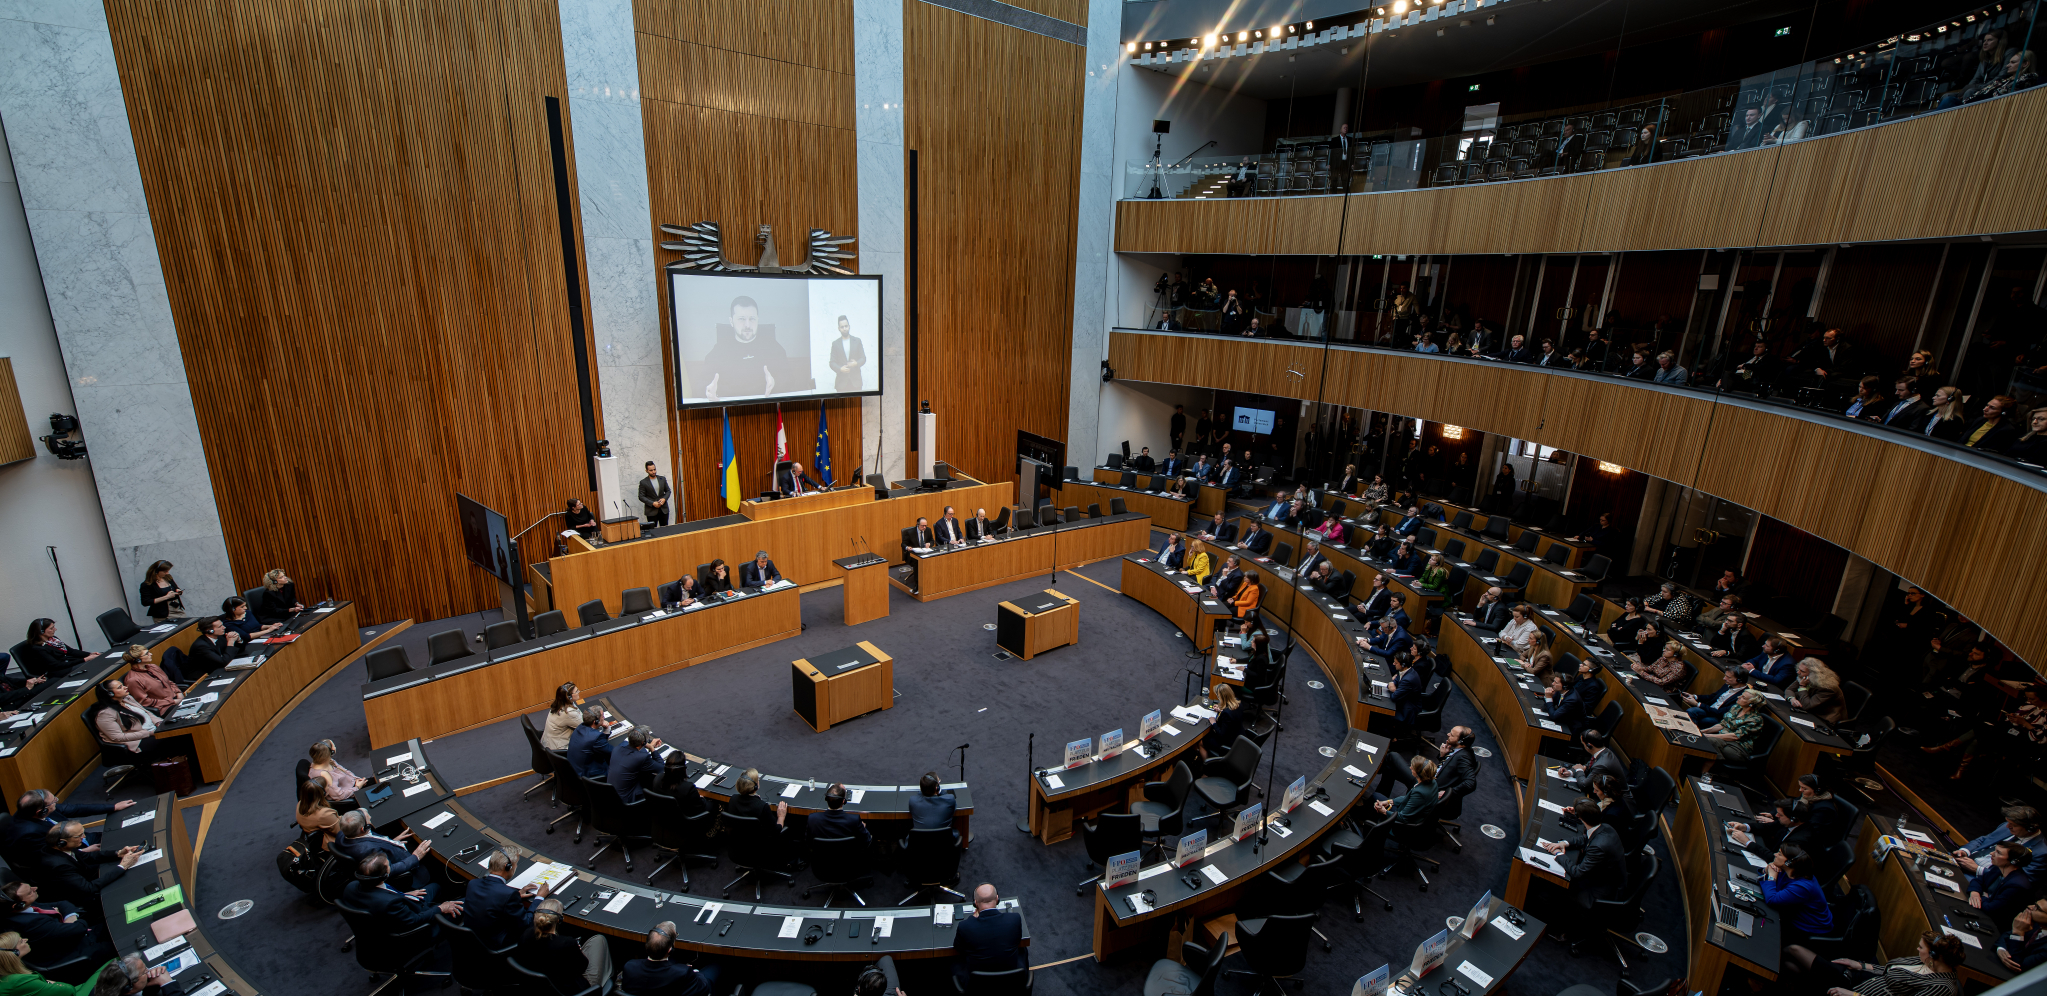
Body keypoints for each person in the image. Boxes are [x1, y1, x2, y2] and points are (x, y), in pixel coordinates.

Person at [1787, 929, 1966, 996]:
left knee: (1794, 960)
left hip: (1857, 991)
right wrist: (1863, 965)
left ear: (1934, 955)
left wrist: (1852, 995)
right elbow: (1891, 969)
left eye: (1921, 948)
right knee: (1793, 962)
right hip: (1862, 979)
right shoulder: (1926, 962)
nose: (1917, 950)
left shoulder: (1942, 988)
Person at [341, 851, 459, 942]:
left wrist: (403, 895)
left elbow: (385, 895)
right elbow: (415, 920)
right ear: (384, 876)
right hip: (418, 929)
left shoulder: (352, 886)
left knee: (435, 887)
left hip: (399, 907)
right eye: (388, 865)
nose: (390, 866)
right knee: (463, 904)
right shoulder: (390, 903)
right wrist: (440, 908)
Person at [1540, 796, 1625, 921]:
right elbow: (1586, 838)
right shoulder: (1606, 827)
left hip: (1600, 891)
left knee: (1550, 889)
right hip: (1607, 877)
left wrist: (1559, 855)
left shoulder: (1598, 847)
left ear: (1580, 818)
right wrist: (1564, 843)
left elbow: (1577, 872)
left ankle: (1557, 924)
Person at [0, 880, 112, 974]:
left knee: (112, 923)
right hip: (74, 952)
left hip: (76, 936)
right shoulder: (28, 924)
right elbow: (78, 929)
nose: (35, 888)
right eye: (30, 892)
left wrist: (70, 918)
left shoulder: (27, 907)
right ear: (19, 905)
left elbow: (61, 903)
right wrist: (71, 923)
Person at [33, 823, 140, 919]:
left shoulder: (60, 847)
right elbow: (88, 888)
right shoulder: (58, 865)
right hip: (77, 899)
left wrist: (117, 853)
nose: (84, 837)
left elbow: (86, 856)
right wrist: (123, 866)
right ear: (62, 842)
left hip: (82, 880)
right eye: (79, 836)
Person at [699, 295, 786, 401]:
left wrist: (775, 382)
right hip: (731, 408)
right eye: (741, 319)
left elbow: (789, 378)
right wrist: (708, 390)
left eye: (752, 319)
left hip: (765, 407)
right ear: (731, 321)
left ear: (758, 320)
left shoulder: (772, 347)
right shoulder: (720, 350)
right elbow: (703, 383)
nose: (747, 325)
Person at [517, 898, 612, 991]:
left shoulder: (526, 934)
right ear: (559, 920)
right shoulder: (566, 943)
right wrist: (577, 951)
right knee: (599, 940)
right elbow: (582, 967)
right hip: (571, 989)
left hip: (537, 984)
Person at [330, 809, 433, 893]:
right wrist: (416, 856)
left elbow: (371, 840)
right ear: (363, 829)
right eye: (368, 819)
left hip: (389, 849)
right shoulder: (367, 850)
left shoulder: (343, 833)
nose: (370, 818)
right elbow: (389, 870)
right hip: (409, 871)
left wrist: (392, 842)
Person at [465, 849, 552, 949]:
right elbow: (526, 924)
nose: (516, 867)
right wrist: (539, 898)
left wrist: (516, 896)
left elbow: (489, 901)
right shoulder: (508, 894)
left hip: (474, 939)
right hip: (497, 944)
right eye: (515, 865)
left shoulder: (473, 884)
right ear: (507, 867)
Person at [952, 884, 1026, 988]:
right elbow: (1017, 940)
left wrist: (972, 919)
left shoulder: (965, 926)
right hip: (1010, 982)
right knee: (1023, 950)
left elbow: (958, 947)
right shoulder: (1014, 919)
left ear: (975, 903)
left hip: (977, 985)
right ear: (997, 899)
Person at [89, 680, 180, 766]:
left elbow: (146, 712)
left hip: (153, 730)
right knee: (175, 738)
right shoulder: (105, 714)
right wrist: (149, 733)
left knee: (179, 731)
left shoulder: (127, 699)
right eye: (120, 687)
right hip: (137, 741)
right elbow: (117, 737)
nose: (125, 687)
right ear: (110, 694)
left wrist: (158, 722)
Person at [1761, 844, 1834, 946]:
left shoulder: (1802, 887)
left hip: (1808, 927)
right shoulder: (1789, 871)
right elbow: (1771, 886)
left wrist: (1772, 877)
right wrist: (1766, 870)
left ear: (1789, 862)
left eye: (1780, 854)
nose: (1775, 855)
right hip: (1792, 914)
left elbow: (1772, 899)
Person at [0, 928, 111, 994]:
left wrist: (51, 984)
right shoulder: (19, 981)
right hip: (74, 994)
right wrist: (51, 983)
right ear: (14, 952)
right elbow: (69, 991)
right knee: (112, 964)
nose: (26, 940)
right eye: (21, 941)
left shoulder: (8, 977)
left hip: (60, 991)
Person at [1952, 805, 2047, 880]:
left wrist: (1979, 870)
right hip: (1965, 860)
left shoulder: (2041, 853)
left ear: (2030, 828)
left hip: (1979, 879)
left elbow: (2018, 881)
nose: (2007, 826)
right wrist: (1965, 851)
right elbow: (1984, 840)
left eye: (2013, 825)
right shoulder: (2007, 827)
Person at [1967, 840, 2035, 923]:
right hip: (1981, 910)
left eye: (1998, 852)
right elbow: (1978, 880)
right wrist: (1975, 892)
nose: (1991, 853)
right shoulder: (1998, 868)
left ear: (2013, 861)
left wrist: (1982, 896)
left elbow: (1990, 908)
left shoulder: (2017, 885)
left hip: (1993, 922)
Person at [1701, 690, 1769, 766]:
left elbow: (1735, 736)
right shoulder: (1736, 707)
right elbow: (1723, 724)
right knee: (1705, 740)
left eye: (1743, 697)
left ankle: (1706, 773)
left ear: (1751, 704)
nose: (1738, 697)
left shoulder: (1755, 719)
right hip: (1724, 739)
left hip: (1738, 748)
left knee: (1710, 742)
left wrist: (1709, 735)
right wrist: (1703, 732)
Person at [16, 621, 96, 681]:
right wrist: (85, 659)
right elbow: (57, 665)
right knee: (91, 665)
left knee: (96, 660)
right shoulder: (37, 649)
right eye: (51, 628)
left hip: (66, 663)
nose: (55, 629)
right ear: (41, 632)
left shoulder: (53, 640)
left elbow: (70, 651)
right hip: (57, 671)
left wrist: (89, 654)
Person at [607, 726, 664, 804]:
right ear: (643, 742)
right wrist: (652, 748)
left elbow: (632, 750)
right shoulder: (642, 757)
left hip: (610, 796)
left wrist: (646, 745)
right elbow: (661, 768)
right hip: (627, 800)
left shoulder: (617, 749)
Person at [114, 647, 179, 714]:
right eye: (146, 654)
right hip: (164, 707)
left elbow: (168, 682)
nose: (151, 654)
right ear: (137, 660)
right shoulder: (133, 680)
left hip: (176, 699)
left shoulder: (153, 667)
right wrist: (173, 702)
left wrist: (178, 693)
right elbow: (144, 701)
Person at [1682, 667, 1750, 727]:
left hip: (1719, 717)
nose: (1724, 678)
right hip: (1710, 709)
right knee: (1691, 711)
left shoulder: (1743, 696)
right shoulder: (1727, 685)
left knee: (1705, 720)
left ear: (1739, 680)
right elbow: (1712, 696)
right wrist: (1695, 696)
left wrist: (1697, 704)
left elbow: (1720, 713)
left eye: (1728, 677)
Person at [306, 738, 363, 803]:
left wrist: (358, 779)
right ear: (331, 752)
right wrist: (357, 787)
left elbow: (345, 771)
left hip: (354, 785)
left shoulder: (328, 761)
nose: (335, 748)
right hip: (351, 795)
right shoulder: (323, 775)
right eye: (334, 747)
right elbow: (339, 796)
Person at [1791, 659, 1847, 725]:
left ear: (1813, 674)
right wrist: (1792, 698)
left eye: (1802, 671)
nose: (1798, 672)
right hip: (1810, 710)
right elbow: (1789, 690)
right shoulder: (1804, 676)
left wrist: (1802, 686)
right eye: (1799, 669)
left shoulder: (1828, 688)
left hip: (1823, 718)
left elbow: (1806, 706)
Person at [908, 772, 960, 843]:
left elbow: (919, 795)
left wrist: (924, 789)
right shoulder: (950, 800)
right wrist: (940, 791)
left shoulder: (913, 801)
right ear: (937, 788)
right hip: (944, 846)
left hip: (920, 847)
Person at [1998, 898, 2047, 972]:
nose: (2030, 906)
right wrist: (2001, 949)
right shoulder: (2037, 925)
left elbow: (2018, 966)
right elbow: (2006, 935)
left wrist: (2018, 932)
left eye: (2037, 908)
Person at [1201, 685, 1249, 760]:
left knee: (1202, 742)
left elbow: (1221, 734)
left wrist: (1214, 723)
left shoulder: (1226, 714)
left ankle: (1207, 767)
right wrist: (1221, 709)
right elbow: (1233, 715)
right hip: (1239, 738)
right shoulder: (1238, 703)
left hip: (1228, 743)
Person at [566, 706, 614, 779]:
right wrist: (607, 730)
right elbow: (611, 751)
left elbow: (598, 744)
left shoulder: (580, 727)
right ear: (595, 721)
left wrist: (605, 731)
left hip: (574, 770)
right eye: (602, 716)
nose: (604, 718)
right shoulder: (596, 737)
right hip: (586, 774)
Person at [829, 314, 867, 393]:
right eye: (842, 327)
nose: (844, 329)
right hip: (841, 383)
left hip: (856, 382)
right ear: (839, 329)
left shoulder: (857, 341)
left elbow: (863, 358)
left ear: (849, 326)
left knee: (857, 405)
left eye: (846, 326)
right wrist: (840, 369)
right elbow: (832, 362)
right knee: (842, 405)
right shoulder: (835, 344)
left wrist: (856, 363)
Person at [295, 778, 340, 844]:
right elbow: (341, 831)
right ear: (322, 792)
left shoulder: (300, 803)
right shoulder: (324, 814)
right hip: (330, 842)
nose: (329, 787)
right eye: (327, 786)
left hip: (313, 836)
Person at [541, 683, 582, 751]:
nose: (579, 692)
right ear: (569, 697)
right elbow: (586, 725)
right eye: (576, 691)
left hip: (549, 743)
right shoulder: (568, 713)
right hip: (558, 749)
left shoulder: (558, 704)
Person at [1384, 652, 1423, 724]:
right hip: (1403, 701)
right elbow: (1396, 680)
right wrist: (1392, 685)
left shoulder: (1408, 679)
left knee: (1381, 714)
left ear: (1403, 665)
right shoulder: (1404, 670)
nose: (1393, 664)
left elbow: (1394, 697)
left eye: (1396, 663)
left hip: (1407, 711)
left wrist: (1392, 687)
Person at [639, 462, 672, 527]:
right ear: (646, 471)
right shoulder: (643, 482)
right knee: (653, 531)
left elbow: (668, 491)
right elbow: (641, 496)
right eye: (651, 470)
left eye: (654, 469)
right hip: (651, 511)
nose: (653, 472)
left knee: (665, 529)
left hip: (663, 509)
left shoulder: (662, 479)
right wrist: (652, 503)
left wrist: (664, 499)